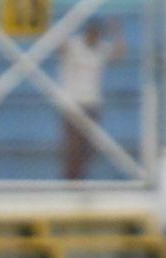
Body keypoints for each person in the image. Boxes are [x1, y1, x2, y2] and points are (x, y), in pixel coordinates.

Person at [58, 17, 125, 180]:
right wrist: (67, 24)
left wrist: (117, 32)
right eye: (91, 34)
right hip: (72, 104)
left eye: (97, 35)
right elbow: (59, 46)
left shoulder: (101, 48)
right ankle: (71, 181)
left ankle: (81, 178)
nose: (94, 37)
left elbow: (120, 52)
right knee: (73, 147)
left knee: (89, 148)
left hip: (92, 103)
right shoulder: (74, 45)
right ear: (87, 33)